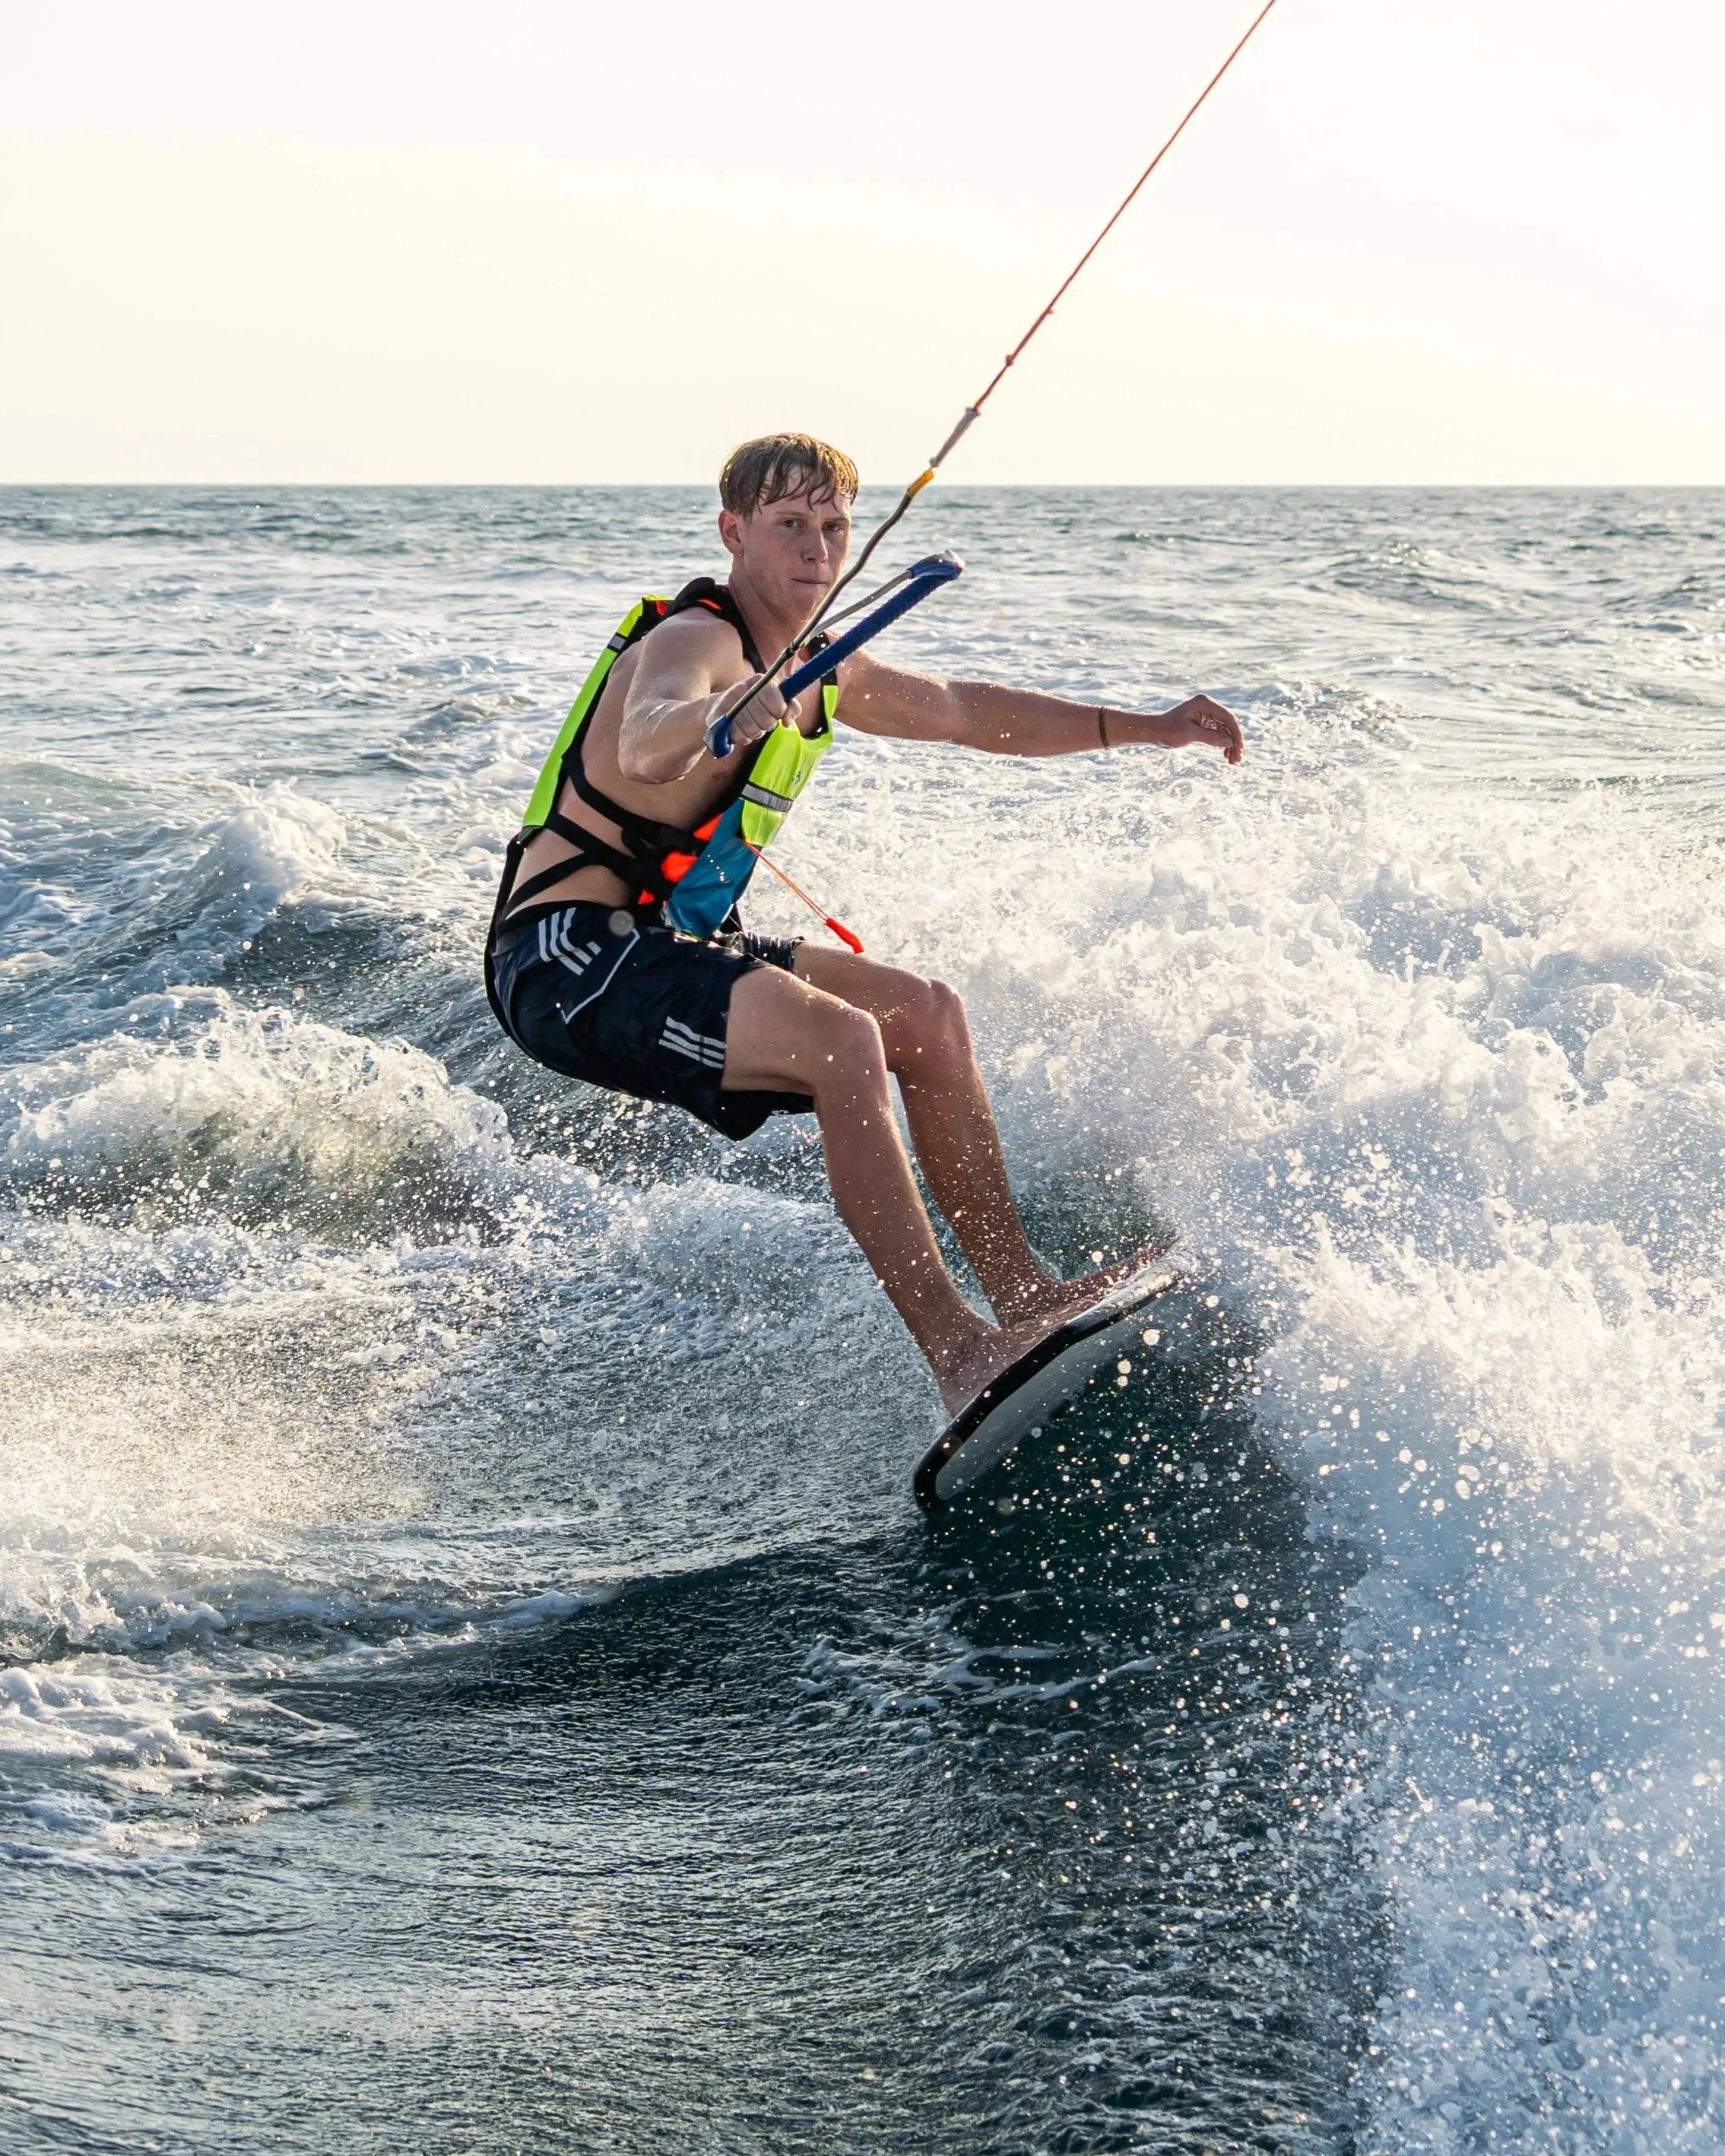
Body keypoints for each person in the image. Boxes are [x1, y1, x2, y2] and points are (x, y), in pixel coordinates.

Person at [486, 434, 1243, 1418]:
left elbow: (969, 712)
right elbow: (647, 730)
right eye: (790, 527)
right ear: (735, 534)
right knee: (844, 1044)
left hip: (671, 945)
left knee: (925, 1014)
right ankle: (960, 1350)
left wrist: (1141, 725)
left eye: (833, 529)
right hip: (566, 955)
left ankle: (1023, 1294)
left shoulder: (823, 667)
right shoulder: (697, 640)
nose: (815, 551)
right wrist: (723, 717)